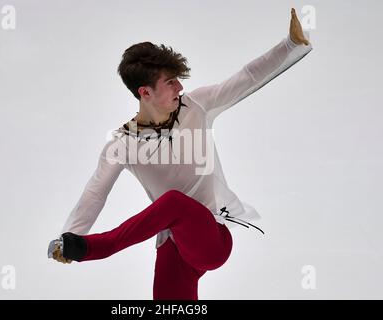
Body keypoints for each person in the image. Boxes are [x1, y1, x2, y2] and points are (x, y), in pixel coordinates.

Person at [48, 8, 313, 300]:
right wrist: (67, 237)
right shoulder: (121, 143)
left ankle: (95, 247)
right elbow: (95, 193)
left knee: (173, 202)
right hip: (174, 245)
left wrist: (290, 43)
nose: (180, 87)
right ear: (145, 92)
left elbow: (246, 77)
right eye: (170, 82)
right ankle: (80, 244)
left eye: (178, 79)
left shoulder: (196, 105)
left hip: (212, 238)